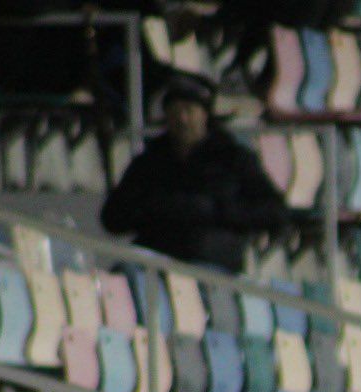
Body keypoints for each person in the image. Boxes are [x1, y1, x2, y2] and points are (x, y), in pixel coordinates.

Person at [100, 72, 287, 273]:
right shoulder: (149, 161)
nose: (183, 118)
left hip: (211, 261)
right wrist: (155, 208)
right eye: (175, 111)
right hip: (155, 258)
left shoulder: (233, 159)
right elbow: (112, 218)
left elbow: (274, 211)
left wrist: (216, 211)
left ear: (204, 114)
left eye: (189, 110)